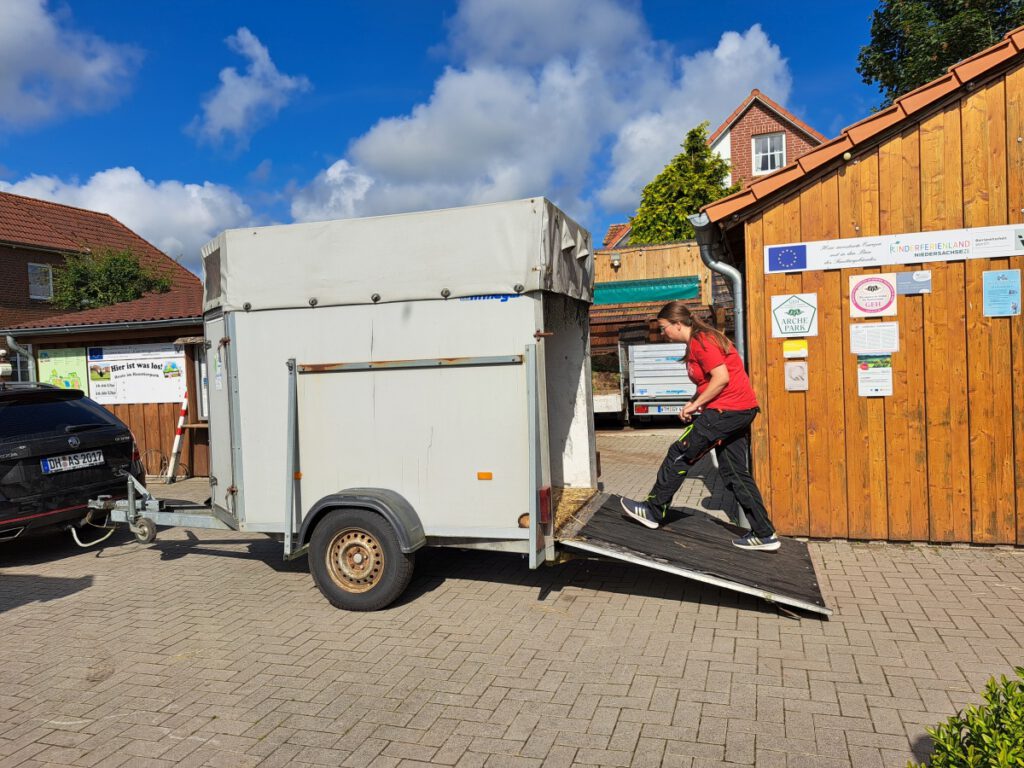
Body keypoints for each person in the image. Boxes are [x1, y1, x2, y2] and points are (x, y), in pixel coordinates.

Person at [619, 301, 780, 551]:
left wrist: (697, 406)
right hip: (739, 410)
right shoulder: (701, 341)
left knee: (680, 452)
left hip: (727, 410)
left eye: (664, 328)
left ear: (678, 324)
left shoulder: (701, 340)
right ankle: (764, 534)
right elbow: (708, 382)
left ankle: (652, 510)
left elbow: (721, 378)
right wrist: (693, 402)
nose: (663, 334)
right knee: (734, 471)